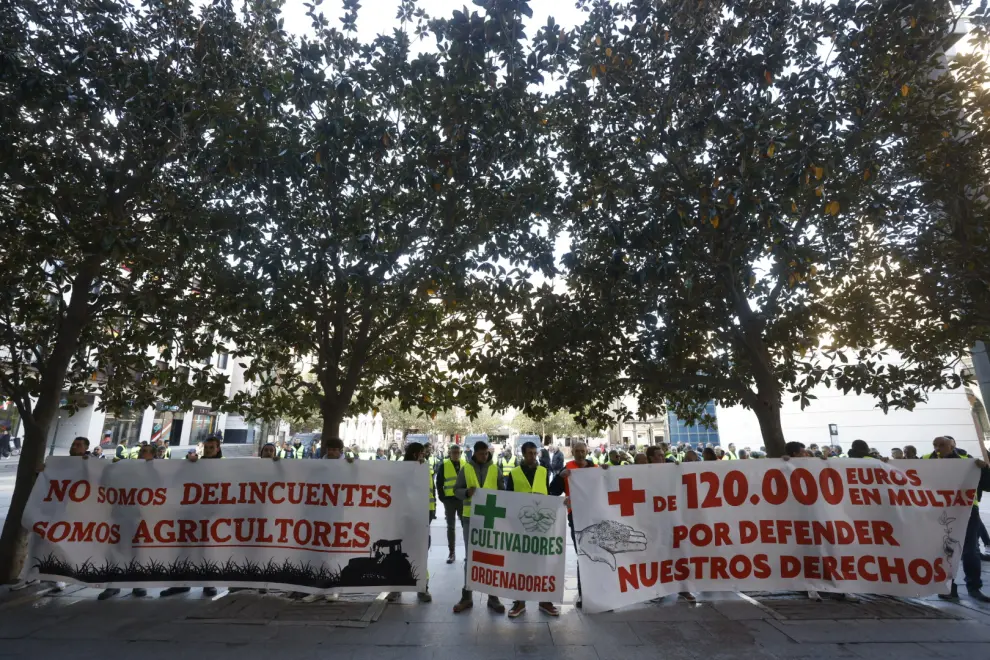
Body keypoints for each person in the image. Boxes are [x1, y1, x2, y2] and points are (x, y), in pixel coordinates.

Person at [927, 436, 990, 603]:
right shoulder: (926, 460)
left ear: (953, 446)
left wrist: (985, 469)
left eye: (942, 445)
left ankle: (974, 588)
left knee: (970, 551)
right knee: (945, 550)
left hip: (968, 511)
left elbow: (987, 484)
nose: (938, 448)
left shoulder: (968, 461)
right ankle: (948, 589)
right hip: (940, 512)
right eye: (935, 445)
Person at [548, 441, 609, 608]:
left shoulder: (596, 468)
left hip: (597, 517)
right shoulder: (567, 469)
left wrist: (606, 472)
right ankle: (584, 594)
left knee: (600, 554)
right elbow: (552, 491)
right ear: (573, 452)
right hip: (576, 517)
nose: (581, 454)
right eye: (577, 451)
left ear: (587, 451)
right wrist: (560, 478)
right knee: (583, 555)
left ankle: (601, 591)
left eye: (583, 451)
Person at [163, 436, 224, 598]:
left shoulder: (225, 466)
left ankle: (208, 584)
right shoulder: (194, 463)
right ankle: (181, 584)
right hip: (189, 513)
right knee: (183, 549)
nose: (209, 450)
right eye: (207, 447)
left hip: (210, 515)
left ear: (217, 448)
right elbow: (177, 480)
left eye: (212, 447)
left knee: (206, 550)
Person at [504, 441, 559, 618]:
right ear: (523, 454)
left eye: (535, 453)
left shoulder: (544, 471)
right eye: (529, 453)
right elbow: (509, 499)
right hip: (521, 525)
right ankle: (519, 602)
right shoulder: (514, 473)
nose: (533, 456)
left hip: (541, 525)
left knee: (542, 563)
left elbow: (548, 494)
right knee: (521, 564)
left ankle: (544, 601)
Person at [452, 440, 504, 614]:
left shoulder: (495, 469)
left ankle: (493, 597)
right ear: (474, 453)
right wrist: (467, 492)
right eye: (482, 453)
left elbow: (503, 492)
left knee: (491, 557)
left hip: (490, 519)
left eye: (486, 453)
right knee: (470, 557)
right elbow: (456, 490)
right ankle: (466, 597)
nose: (485, 456)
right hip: (470, 518)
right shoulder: (466, 469)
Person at [98, 445, 155, 600]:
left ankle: (138, 584)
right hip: (119, 513)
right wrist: (109, 468)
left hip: (142, 516)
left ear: (152, 455)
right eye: (141, 451)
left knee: (138, 550)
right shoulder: (124, 468)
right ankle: (113, 585)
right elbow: (104, 483)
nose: (142, 454)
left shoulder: (155, 470)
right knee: (115, 549)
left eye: (146, 452)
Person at [390, 442, 433, 603]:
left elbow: (430, 492)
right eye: (421, 453)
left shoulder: (424, 469)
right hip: (403, 516)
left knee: (420, 552)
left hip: (420, 517)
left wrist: (430, 513)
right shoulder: (400, 469)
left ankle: (422, 587)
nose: (423, 455)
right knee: (397, 552)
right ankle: (396, 588)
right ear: (415, 454)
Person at [438, 444, 464, 564]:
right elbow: (439, 483)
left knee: (466, 526)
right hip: (449, 500)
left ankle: (468, 552)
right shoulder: (444, 465)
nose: (456, 454)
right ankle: (451, 552)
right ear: (450, 453)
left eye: (458, 452)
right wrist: (442, 497)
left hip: (463, 499)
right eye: (453, 452)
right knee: (451, 526)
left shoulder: (466, 465)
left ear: (460, 453)